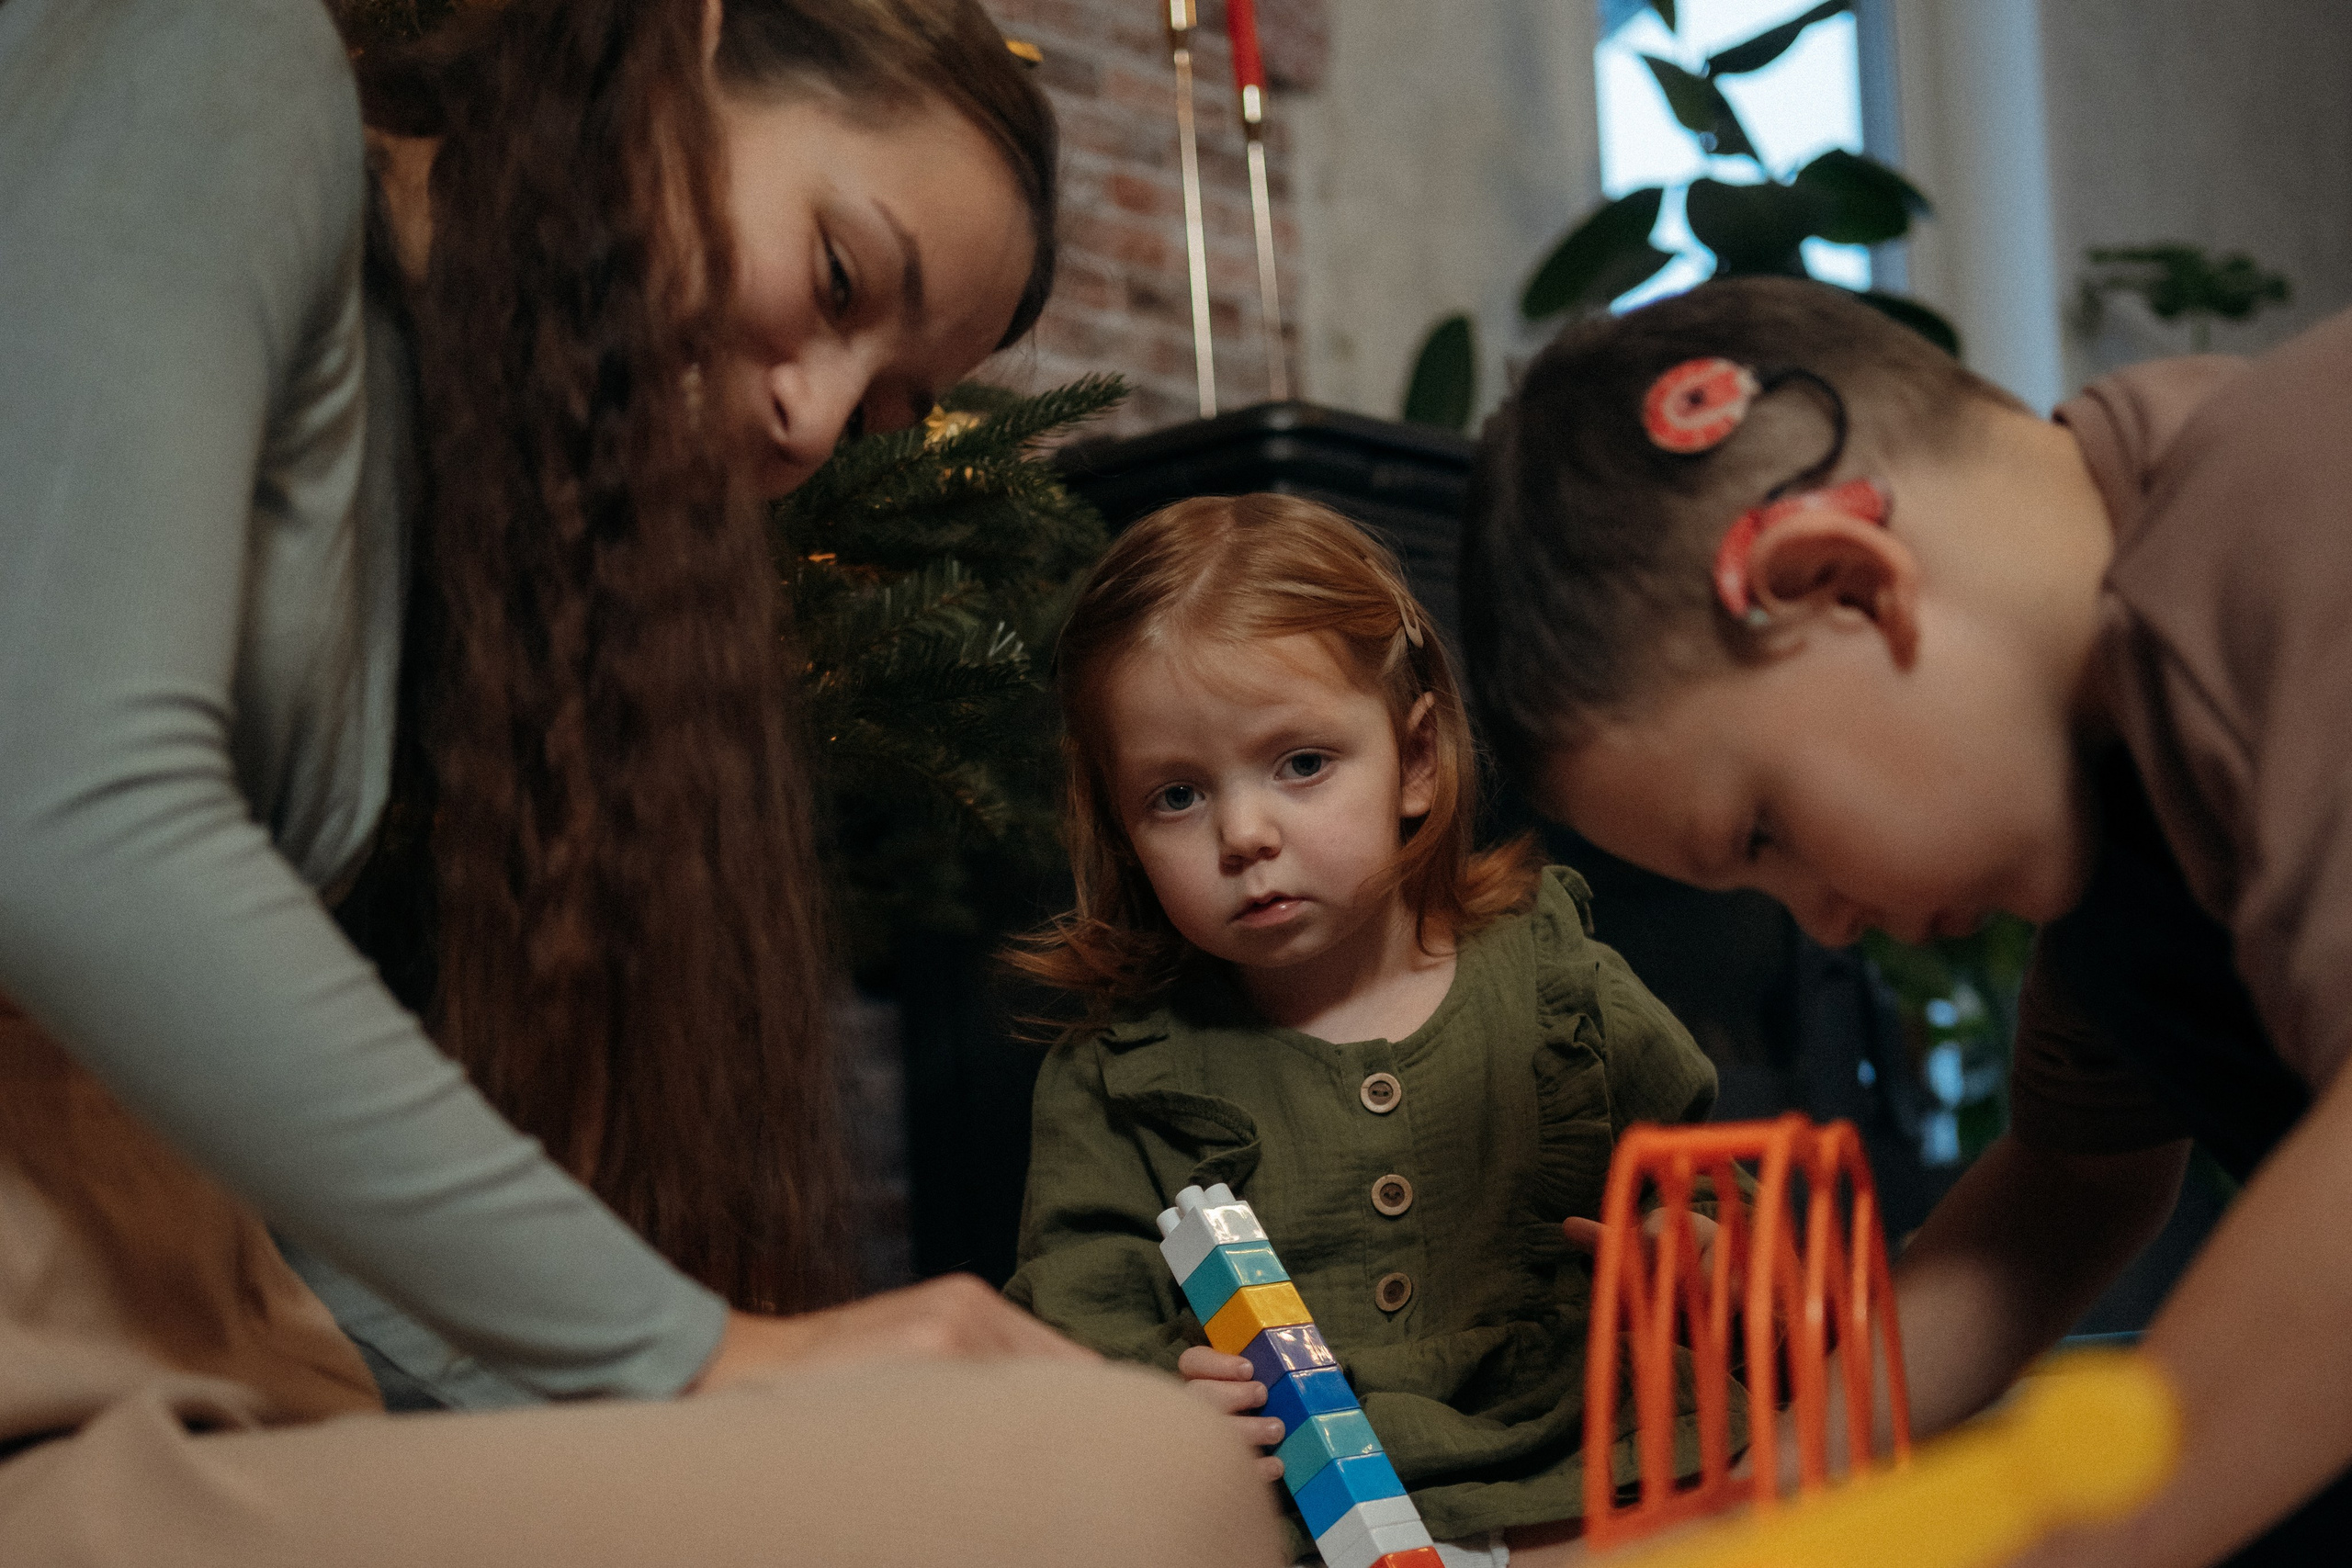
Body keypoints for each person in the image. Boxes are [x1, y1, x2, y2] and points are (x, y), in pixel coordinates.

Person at [0, 0, 1281, 1562]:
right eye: (838, 279)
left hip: (208, 1359)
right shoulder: (216, 53)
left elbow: (247, 1184)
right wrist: (698, 1352)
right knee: (1135, 1487)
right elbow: (65, 817)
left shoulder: (419, 432)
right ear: (686, 38)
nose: (814, 421)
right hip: (62, 1386)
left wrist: (735, 1393)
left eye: (885, 404)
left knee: (1102, 1462)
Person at [1461, 273, 2352, 1568]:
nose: (1826, 926)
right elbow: (2070, 1184)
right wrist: (1767, 1503)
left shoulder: (2297, 491)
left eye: (1763, 832)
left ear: (1842, 582)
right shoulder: (2107, 783)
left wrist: (2056, 1523)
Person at [1001, 494, 1722, 1567]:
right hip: (1297, 1511)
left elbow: (1702, 1174)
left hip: (1586, 1462)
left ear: (1416, 760)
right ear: (1120, 827)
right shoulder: (1115, 1076)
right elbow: (1077, 1316)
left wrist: (1697, 1244)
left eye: (1301, 764)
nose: (1244, 834)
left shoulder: (1555, 984)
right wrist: (1160, 1402)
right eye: (1177, 796)